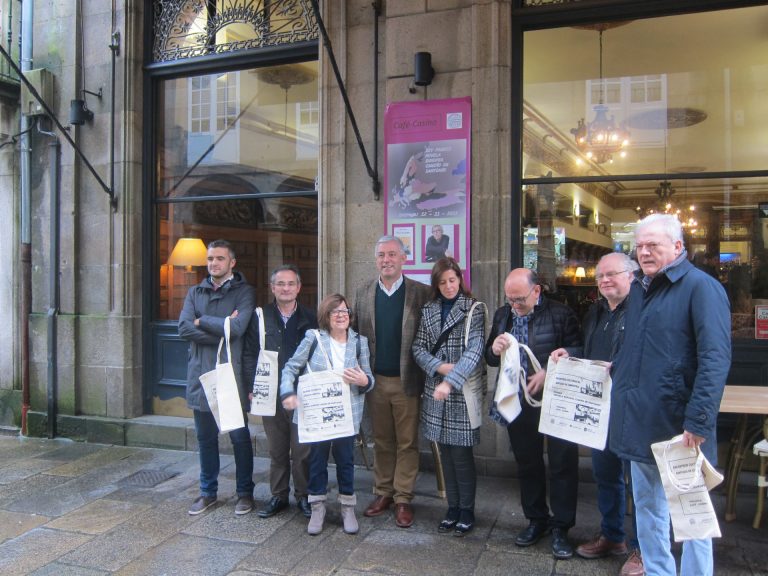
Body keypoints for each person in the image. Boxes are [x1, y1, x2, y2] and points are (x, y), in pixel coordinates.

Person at [609, 214, 731, 576]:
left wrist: (699, 420)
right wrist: (614, 367)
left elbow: (715, 359)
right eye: (640, 246)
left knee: (692, 520)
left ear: (678, 247)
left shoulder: (701, 287)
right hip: (640, 421)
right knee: (648, 511)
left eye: (653, 245)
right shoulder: (639, 288)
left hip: (681, 428)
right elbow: (640, 349)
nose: (644, 252)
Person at [551, 253, 644, 576]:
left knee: (640, 484)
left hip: (633, 408)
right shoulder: (597, 311)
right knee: (607, 475)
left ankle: (643, 549)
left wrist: (617, 368)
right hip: (600, 406)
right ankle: (613, 536)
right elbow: (592, 353)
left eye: (611, 274)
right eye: (600, 275)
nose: (604, 280)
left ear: (631, 276)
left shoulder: (644, 310)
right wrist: (571, 354)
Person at [484, 268, 582, 559]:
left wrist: (549, 371)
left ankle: (562, 528)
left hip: (557, 399)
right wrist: (494, 347)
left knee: (563, 463)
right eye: (510, 299)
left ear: (537, 291)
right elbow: (490, 358)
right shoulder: (504, 314)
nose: (514, 305)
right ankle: (536, 519)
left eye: (519, 299)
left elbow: (580, 349)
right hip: (519, 400)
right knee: (527, 463)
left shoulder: (561, 313)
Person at [353, 235, 431, 528]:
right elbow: (355, 337)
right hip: (375, 381)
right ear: (376, 260)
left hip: (407, 381)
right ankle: (383, 492)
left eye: (392, 255)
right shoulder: (362, 293)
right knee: (382, 441)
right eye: (381, 255)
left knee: (408, 442)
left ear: (404, 258)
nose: (386, 260)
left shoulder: (421, 293)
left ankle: (403, 498)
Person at [280, 294, 374, 535]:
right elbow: (290, 367)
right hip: (317, 414)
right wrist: (287, 393)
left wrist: (364, 380)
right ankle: (317, 506)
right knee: (317, 462)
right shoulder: (313, 338)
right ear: (326, 316)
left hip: (347, 414)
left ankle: (347, 507)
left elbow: (369, 379)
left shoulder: (359, 342)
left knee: (346, 461)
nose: (342, 315)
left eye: (345, 310)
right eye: (335, 311)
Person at [178, 239, 256, 516]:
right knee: (205, 438)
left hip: (230, 376)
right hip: (201, 375)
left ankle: (245, 492)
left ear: (232, 262)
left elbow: (236, 329)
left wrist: (203, 321)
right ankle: (207, 492)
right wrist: (219, 326)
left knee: (239, 438)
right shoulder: (195, 291)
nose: (214, 264)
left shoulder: (245, 292)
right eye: (210, 259)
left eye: (220, 259)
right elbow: (184, 328)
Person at [412, 258, 486, 536]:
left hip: (460, 393)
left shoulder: (474, 309)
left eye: (452, 280)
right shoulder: (428, 309)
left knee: (462, 455)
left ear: (460, 279)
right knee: (445, 453)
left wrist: (450, 381)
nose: (448, 286)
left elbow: (475, 351)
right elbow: (417, 347)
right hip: (435, 391)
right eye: (442, 282)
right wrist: (438, 367)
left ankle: (467, 510)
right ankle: (452, 507)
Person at [242, 264, 318, 519]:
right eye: (280, 284)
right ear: (272, 288)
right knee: (276, 449)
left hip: (301, 394)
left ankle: (303, 496)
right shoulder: (259, 316)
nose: (285, 289)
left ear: (298, 288)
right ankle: (279, 495)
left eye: (290, 284)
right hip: (270, 393)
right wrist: (253, 386)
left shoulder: (311, 317)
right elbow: (250, 353)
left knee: (301, 450)